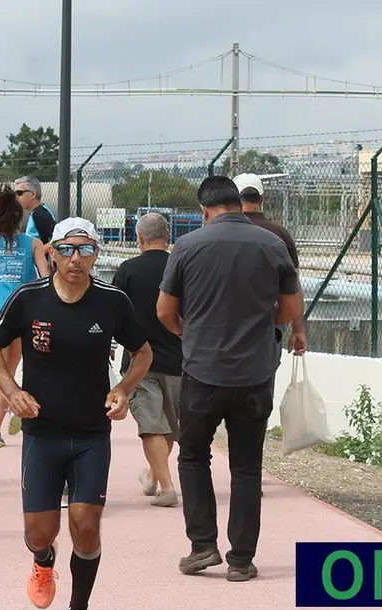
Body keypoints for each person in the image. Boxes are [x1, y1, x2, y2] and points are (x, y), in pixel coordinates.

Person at [0, 217, 152, 610]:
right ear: (52, 252)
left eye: (87, 250)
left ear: (97, 254)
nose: (77, 259)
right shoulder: (28, 298)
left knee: (85, 526)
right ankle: (43, 561)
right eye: (68, 249)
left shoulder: (112, 301)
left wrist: (123, 389)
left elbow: (143, 352)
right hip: (42, 432)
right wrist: (12, 390)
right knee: (40, 532)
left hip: (92, 432)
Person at [156, 176, 301, 583]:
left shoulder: (186, 247)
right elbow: (288, 309)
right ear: (239, 204)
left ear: (204, 210)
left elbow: (165, 312)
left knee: (193, 455)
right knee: (247, 465)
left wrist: (191, 333)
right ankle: (241, 559)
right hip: (255, 373)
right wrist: (260, 329)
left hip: (202, 371)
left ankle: (202, 546)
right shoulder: (272, 245)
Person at [112, 212, 182, 507]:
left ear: (139, 237)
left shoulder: (128, 270)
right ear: (168, 237)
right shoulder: (181, 267)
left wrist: (110, 345)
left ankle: (166, 487)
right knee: (169, 424)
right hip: (180, 360)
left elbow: (114, 312)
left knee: (152, 425)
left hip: (141, 361)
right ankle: (153, 477)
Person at [0, 186, 49, 447]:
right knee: (9, 372)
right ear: (20, 217)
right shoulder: (33, 243)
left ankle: (15, 404)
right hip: (24, 314)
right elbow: (47, 278)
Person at [234, 173, 308, 357]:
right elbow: (293, 285)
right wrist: (298, 329)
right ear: (262, 198)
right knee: (263, 378)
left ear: (234, 199)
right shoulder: (280, 233)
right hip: (269, 322)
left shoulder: (219, 232)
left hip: (227, 323)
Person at [14, 175, 56, 244]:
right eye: (15, 194)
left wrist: (36, 250)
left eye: (19, 193)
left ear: (33, 194)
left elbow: (54, 242)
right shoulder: (37, 212)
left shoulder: (40, 215)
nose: (16, 197)